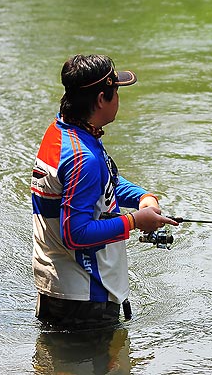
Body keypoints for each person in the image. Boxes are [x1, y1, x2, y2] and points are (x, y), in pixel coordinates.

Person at [31, 54, 177, 330]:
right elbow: (75, 233)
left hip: (61, 287)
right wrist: (135, 221)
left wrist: (141, 197)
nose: (119, 100)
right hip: (84, 297)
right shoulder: (83, 158)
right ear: (101, 99)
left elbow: (102, 183)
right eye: (116, 94)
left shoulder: (63, 132)